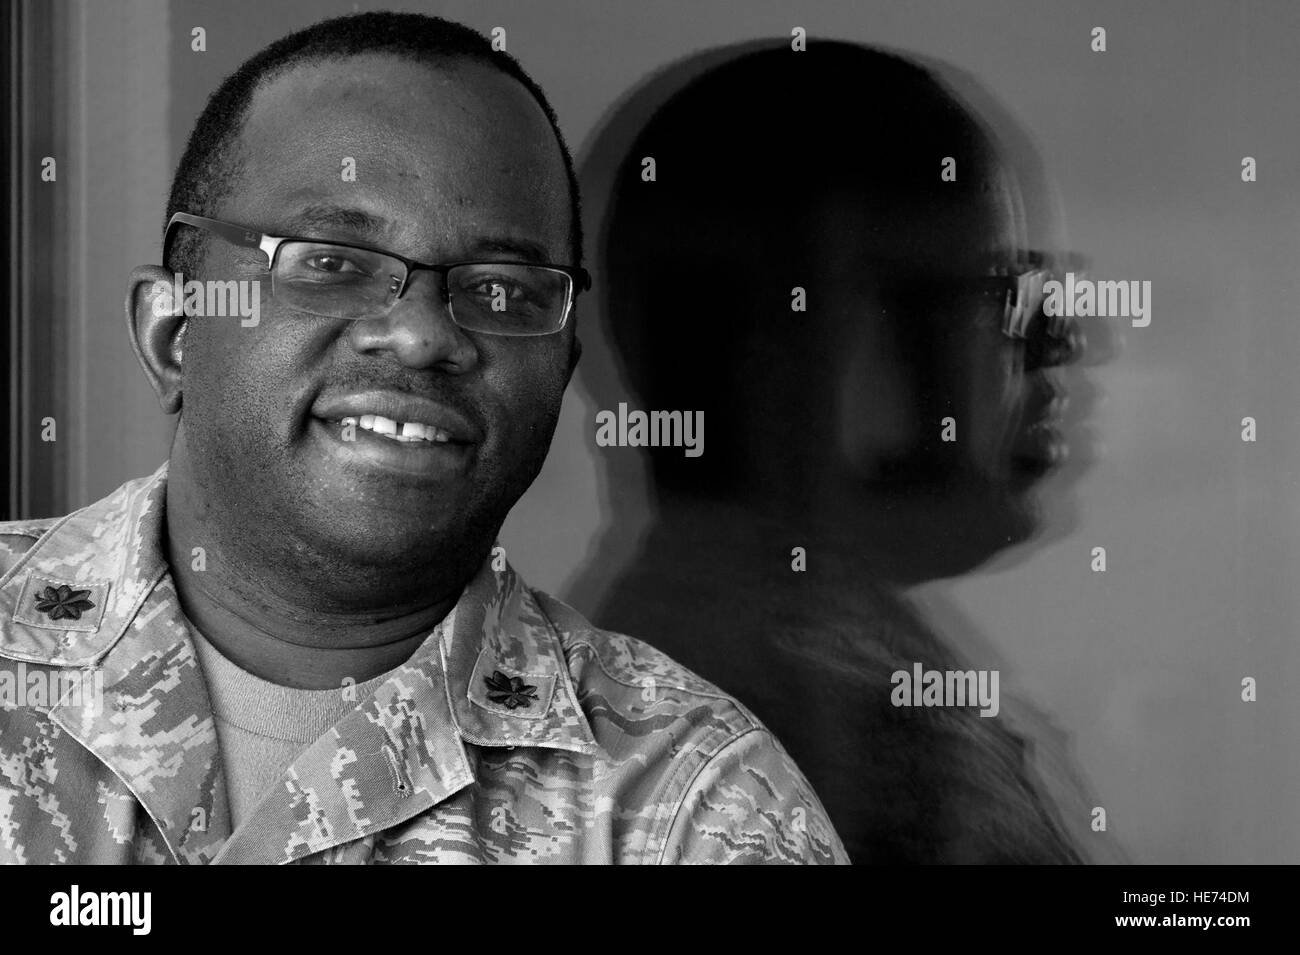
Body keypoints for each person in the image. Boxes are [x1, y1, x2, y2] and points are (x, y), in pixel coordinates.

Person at [0, 12, 845, 865]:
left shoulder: (694, 807)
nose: (421, 337)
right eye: (331, 262)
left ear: (562, 367)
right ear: (173, 333)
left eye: (503, 289)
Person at [578, 42, 1104, 863]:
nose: (1062, 337)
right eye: (1002, 288)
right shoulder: (837, 746)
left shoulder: (711, 690)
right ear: (802, 342)